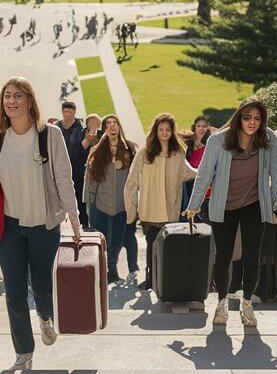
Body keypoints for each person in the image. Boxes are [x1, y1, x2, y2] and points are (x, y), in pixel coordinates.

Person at [0, 77, 83, 370]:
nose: (11, 101)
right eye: (7, 96)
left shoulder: (49, 135)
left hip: (44, 226)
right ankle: (24, 353)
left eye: (17, 96)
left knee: (41, 287)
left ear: (29, 100)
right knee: (14, 291)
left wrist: (75, 224)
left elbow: (65, 180)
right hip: (9, 228)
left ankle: (45, 317)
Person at [185, 99, 277, 327]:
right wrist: (194, 204)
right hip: (224, 205)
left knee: (251, 257)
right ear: (239, 118)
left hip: (253, 203)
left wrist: (271, 204)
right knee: (224, 257)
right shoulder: (219, 140)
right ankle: (221, 303)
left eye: (257, 119)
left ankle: (247, 303)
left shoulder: (268, 139)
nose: (252, 123)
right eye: (247, 118)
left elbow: (276, 171)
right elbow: (204, 174)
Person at [124, 113, 198, 291]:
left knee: (168, 249)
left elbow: (189, 173)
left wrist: (209, 170)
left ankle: (165, 280)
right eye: (161, 129)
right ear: (155, 131)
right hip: (150, 209)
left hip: (170, 211)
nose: (164, 133)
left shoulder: (178, 154)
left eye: (168, 130)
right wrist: (131, 212)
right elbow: (131, 182)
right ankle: (149, 278)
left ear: (172, 132)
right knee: (151, 247)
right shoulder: (144, 153)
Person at [84, 115, 138, 283]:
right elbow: (89, 179)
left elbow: (136, 178)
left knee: (117, 240)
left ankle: (112, 269)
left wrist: (135, 202)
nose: (112, 126)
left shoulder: (130, 149)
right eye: (108, 124)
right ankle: (103, 271)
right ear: (105, 128)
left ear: (119, 126)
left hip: (122, 204)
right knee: (101, 239)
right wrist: (88, 202)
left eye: (115, 123)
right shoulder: (97, 150)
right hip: (100, 203)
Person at [59, 101, 89, 228]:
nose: (67, 114)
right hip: (61, 171)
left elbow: (83, 148)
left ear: (74, 113)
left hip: (78, 171)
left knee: (80, 200)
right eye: (65, 112)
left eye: (69, 112)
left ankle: (83, 224)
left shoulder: (81, 128)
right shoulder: (57, 127)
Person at [181, 114, 212, 214]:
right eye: (199, 126)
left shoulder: (211, 144)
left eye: (204, 126)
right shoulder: (188, 143)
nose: (201, 129)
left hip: (203, 180)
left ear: (207, 128)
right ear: (194, 127)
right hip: (189, 179)